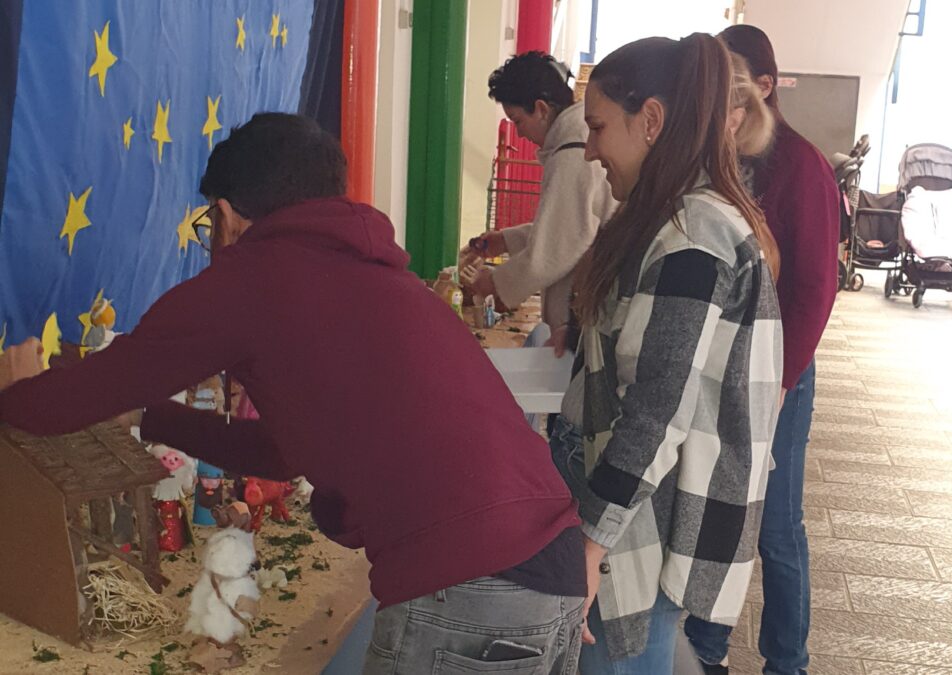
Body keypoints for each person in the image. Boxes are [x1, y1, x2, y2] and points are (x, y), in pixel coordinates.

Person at [0, 113, 587, 673]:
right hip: (554, 572)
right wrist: (151, 417)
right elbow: (283, 454)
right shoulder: (378, 273)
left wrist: (15, 391)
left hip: (470, 586)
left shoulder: (253, 278)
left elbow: (83, 390)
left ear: (226, 215)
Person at [567, 34, 784, 674]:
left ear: (652, 120)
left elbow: (656, 412)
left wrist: (590, 540)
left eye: (599, 126)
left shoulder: (693, 237)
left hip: (643, 524)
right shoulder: (670, 220)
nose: (591, 148)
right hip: (635, 515)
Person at [683, 24, 841, 675]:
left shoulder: (800, 164)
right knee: (716, 513)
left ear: (766, 87)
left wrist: (783, 377)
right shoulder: (712, 151)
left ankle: (788, 659)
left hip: (780, 375)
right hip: (723, 363)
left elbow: (814, 286)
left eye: (736, 82)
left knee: (774, 526)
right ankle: (704, 649)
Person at [463, 51, 616, 350]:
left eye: (518, 121)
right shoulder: (575, 140)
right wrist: (506, 240)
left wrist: (495, 285)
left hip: (582, 317)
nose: (518, 133)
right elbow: (572, 227)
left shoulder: (573, 153)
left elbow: (558, 246)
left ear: (542, 109)